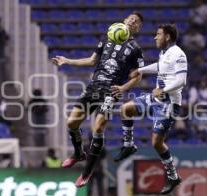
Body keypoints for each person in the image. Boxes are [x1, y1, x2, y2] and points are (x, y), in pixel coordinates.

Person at [51, 12, 144, 187]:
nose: (132, 21)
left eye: (137, 21)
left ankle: (86, 173)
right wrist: (67, 61)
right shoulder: (106, 39)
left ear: (138, 28)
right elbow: (92, 60)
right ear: (123, 21)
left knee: (98, 125)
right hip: (94, 87)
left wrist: (123, 88)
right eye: (130, 18)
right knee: (71, 123)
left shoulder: (135, 48)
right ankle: (78, 154)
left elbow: (137, 76)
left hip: (112, 90)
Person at [114, 24, 186, 194]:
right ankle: (129, 145)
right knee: (125, 109)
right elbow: (160, 66)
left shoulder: (179, 54)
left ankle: (173, 176)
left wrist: (164, 89)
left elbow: (181, 80)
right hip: (156, 98)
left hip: (168, 103)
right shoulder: (164, 54)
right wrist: (140, 70)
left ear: (167, 37)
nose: (155, 37)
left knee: (156, 142)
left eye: (158, 34)